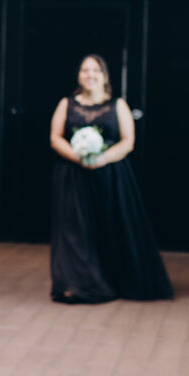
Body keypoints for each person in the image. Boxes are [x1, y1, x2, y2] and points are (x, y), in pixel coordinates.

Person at [47, 53, 172, 304]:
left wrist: (102, 159)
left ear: (104, 76)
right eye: (85, 70)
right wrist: (78, 157)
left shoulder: (118, 105)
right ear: (79, 76)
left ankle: (113, 280)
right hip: (74, 176)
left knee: (110, 228)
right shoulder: (66, 104)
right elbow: (55, 137)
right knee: (74, 232)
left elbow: (128, 142)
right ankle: (76, 284)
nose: (90, 75)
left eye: (95, 70)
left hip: (110, 176)